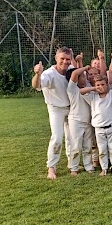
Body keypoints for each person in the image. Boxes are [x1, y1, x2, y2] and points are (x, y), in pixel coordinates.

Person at [32, 47, 73, 180]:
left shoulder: (71, 68)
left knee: (71, 138)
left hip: (71, 108)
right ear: (56, 58)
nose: (65, 62)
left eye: (68, 59)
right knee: (57, 138)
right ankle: (51, 168)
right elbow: (36, 86)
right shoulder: (49, 74)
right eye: (62, 59)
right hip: (56, 109)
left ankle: (72, 164)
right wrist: (38, 74)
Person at [81, 71, 112, 176]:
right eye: (98, 85)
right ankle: (104, 168)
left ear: (107, 84)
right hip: (99, 128)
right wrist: (94, 89)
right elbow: (81, 91)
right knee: (102, 148)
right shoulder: (93, 96)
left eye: (103, 84)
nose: (100, 87)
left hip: (111, 126)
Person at [66, 66, 94, 176]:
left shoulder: (86, 86)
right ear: (76, 79)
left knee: (88, 145)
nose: (85, 78)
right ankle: (74, 167)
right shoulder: (72, 89)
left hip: (87, 121)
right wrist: (86, 67)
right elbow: (74, 74)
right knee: (76, 145)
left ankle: (88, 165)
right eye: (82, 76)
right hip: (76, 121)